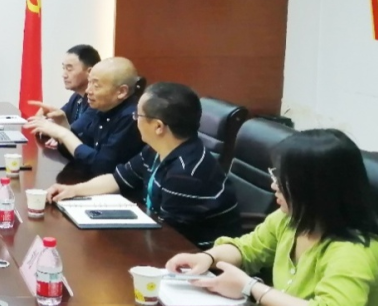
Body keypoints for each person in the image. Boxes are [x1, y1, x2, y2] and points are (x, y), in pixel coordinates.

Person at [166, 129, 378, 306]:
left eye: (280, 177)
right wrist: (207, 257)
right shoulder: (291, 220)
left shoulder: (355, 250)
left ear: (312, 188)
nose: (273, 184)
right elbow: (248, 248)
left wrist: (251, 288)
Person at [46, 82, 240, 246]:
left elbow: (171, 239)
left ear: (158, 127)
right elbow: (118, 179)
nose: (135, 121)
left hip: (196, 257)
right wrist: (73, 190)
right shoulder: (156, 149)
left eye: (138, 116)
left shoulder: (186, 174)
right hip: (158, 236)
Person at [25, 56, 144, 176]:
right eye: (89, 82)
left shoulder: (132, 118)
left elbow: (102, 167)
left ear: (122, 92)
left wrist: (64, 133)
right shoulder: (102, 108)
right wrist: (64, 127)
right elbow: (78, 153)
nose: (88, 91)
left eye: (96, 86)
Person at [27, 44, 101, 124]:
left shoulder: (97, 100)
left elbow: (77, 129)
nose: (64, 75)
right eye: (64, 68)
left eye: (69, 69)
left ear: (89, 72)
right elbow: (60, 116)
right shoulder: (76, 97)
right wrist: (48, 117)